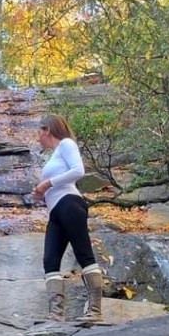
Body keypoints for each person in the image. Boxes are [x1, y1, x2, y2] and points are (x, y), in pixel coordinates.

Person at [31, 114, 103, 322]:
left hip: (70, 204)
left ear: (47, 130)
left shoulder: (66, 144)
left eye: (39, 132)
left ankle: (95, 311)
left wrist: (47, 184)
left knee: (84, 254)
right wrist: (42, 193)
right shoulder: (54, 155)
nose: (38, 137)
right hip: (56, 211)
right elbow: (56, 183)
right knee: (50, 261)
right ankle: (56, 315)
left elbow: (78, 171)